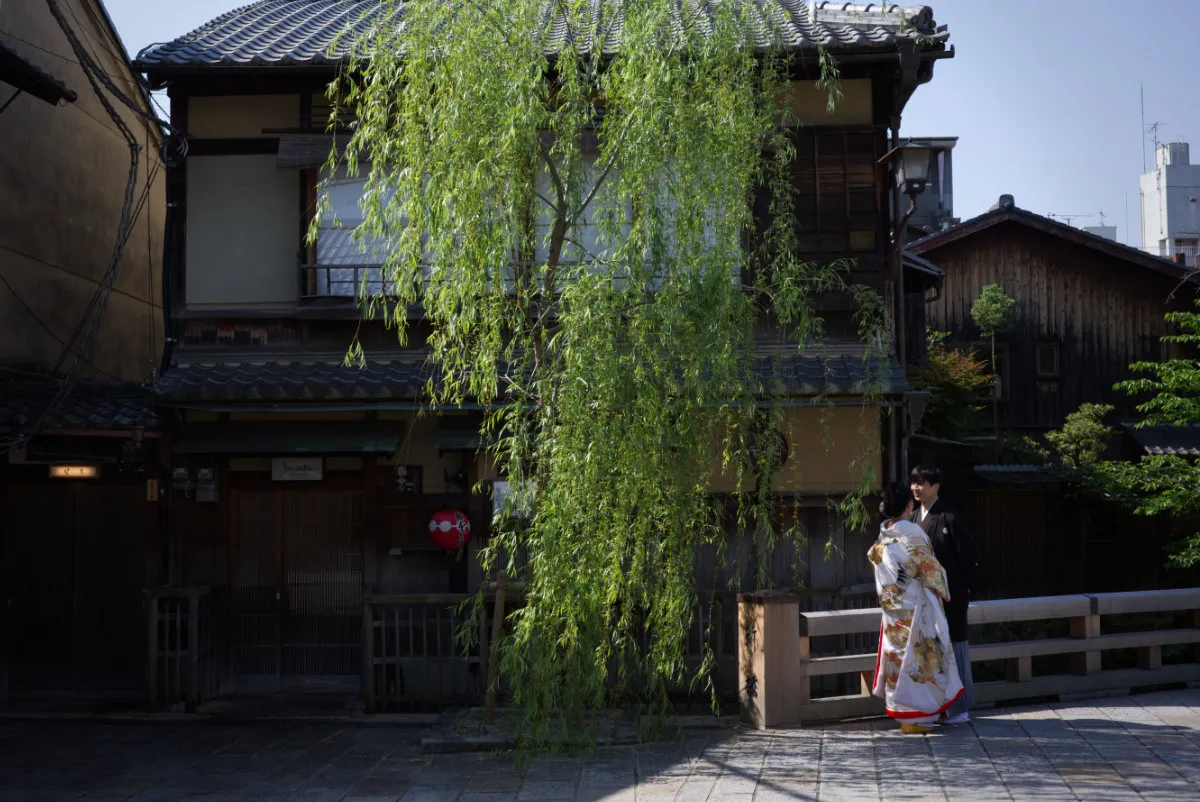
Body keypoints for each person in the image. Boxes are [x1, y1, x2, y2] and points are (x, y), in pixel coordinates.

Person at [868, 482, 964, 734]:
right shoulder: (913, 533)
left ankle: (905, 713)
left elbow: (879, 564)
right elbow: (930, 569)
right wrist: (942, 588)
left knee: (899, 659)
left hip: (893, 610)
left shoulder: (883, 535)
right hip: (917, 609)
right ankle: (919, 715)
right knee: (921, 660)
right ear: (909, 505)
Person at [910, 465, 978, 725]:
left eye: (922, 482)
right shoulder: (912, 519)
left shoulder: (950, 518)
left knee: (956, 646)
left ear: (936, 486)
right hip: (923, 598)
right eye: (913, 483)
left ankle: (960, 708)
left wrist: (965, 590)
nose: (916, 488)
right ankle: (933, 706)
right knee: (929, 651)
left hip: (950, 595)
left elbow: (969, 556)